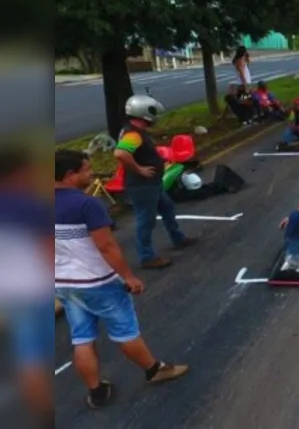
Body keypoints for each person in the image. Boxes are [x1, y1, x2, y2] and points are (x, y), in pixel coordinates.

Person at [55, 150, 190, 409]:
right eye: (86, 169)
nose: (91, 173)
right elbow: (106, 247)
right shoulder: (86, 204)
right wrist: (128, 276)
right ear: (70, 175)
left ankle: (96, 391)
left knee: (82, 337)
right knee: (125, 331)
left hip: (64, 283)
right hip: (98, 281)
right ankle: (154, 370)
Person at [0, 147, 54, 424]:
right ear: (19, 173)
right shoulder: (30, 206)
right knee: (39, 357)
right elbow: (49, 249)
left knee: (27, 353)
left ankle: (40, 414)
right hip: (34, 288)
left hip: (8, 292)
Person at [113, 95, 197, 269]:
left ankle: (178, 238)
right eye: (152, 112)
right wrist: (140, 169)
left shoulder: (136, 132)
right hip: (143, 185)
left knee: (168, 209)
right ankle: (147, 257)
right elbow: (120, 153)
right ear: (143, 113)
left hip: (153, 183)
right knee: (146, 220)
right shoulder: (133, 134)